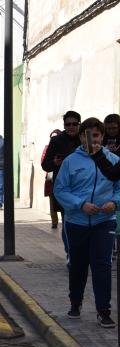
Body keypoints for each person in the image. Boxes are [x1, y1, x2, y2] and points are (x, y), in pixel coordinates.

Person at [54, 117, 119, 328]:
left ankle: (103, 310)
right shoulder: (71, 161)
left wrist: (114, 203)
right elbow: (60, 190)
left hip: (104, 221)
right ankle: (75, 301)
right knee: (78, 264)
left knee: (102, 265)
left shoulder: (113, 161)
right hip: (77, 222)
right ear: (81, 137)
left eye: (96, 135)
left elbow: (119, 188)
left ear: (102, 136)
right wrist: (80, 204)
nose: (91, 139)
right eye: (86, 135)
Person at [41, 111, 82, 265]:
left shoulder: (86, 138)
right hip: (65, 188)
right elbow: (45, 164)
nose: (71, 127)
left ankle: (83, 253)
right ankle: (71, 254)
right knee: (67, 221)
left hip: (85, 187)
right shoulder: (57, 141)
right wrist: (55, 163)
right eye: (68, 124)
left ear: (79, 124)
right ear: (64, 125)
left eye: (74, 124)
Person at [42, 129, 62, 228]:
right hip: (50, 176)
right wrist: (53, 162)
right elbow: (43, 162)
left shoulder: (64, 147)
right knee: (52, 198)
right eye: (52, 137)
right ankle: (54, 221)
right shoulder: (48, 148)